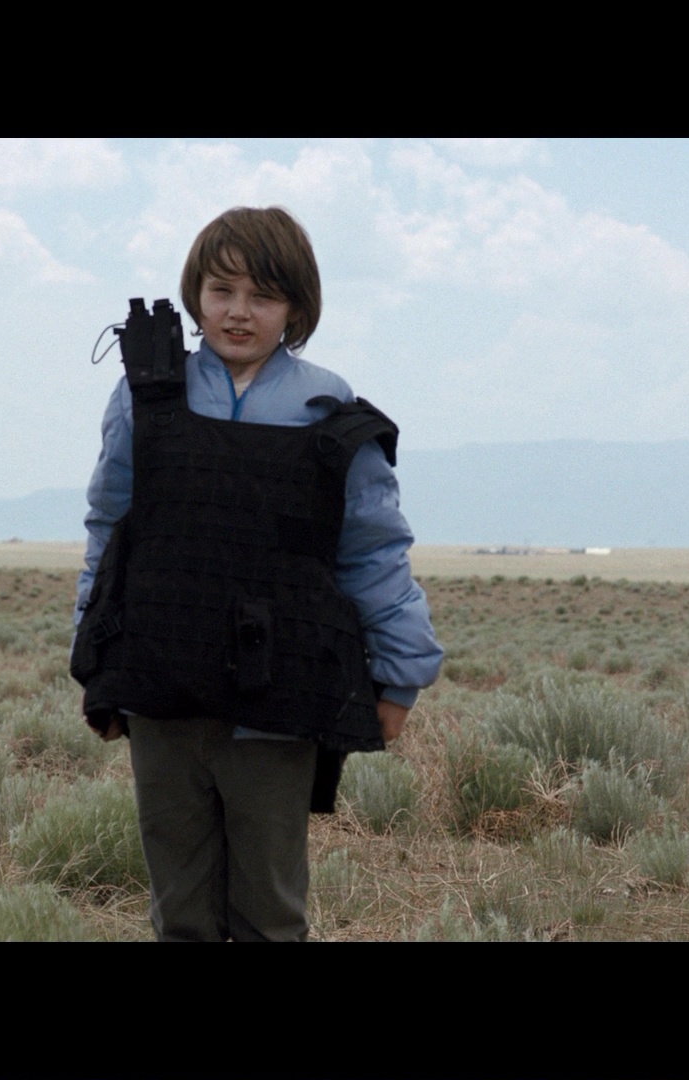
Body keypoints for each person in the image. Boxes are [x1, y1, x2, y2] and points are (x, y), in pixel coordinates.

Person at [72, 206, 442, 941]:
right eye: (222, 291)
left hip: (278, 697)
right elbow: (111, 528)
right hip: (163, 690)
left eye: (263, 296)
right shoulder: (149, 395)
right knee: (180, 909)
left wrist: (401, 676)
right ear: (195, 296)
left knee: (270, 911)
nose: (238, 312)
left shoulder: (327, 411)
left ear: (296, 309)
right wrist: (98, 661)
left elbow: (372, 552)